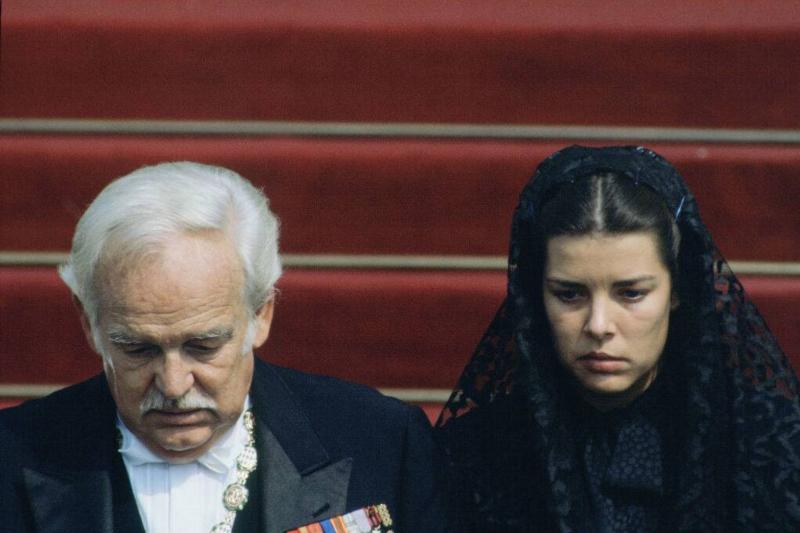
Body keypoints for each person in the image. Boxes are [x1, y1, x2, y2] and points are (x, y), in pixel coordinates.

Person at [0, 162, 446, 533]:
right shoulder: (11, 456)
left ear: (261, 314)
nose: (174, 385)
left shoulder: (381, 441)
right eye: (137, 349)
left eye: (203, 346)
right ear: (88, 321)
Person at [435, 145, 800, 532]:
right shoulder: (475, 453)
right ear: (534, 297)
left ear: (677, 290)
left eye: (631, 293)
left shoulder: (768, 445)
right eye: (569, 294)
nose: (598, 324)